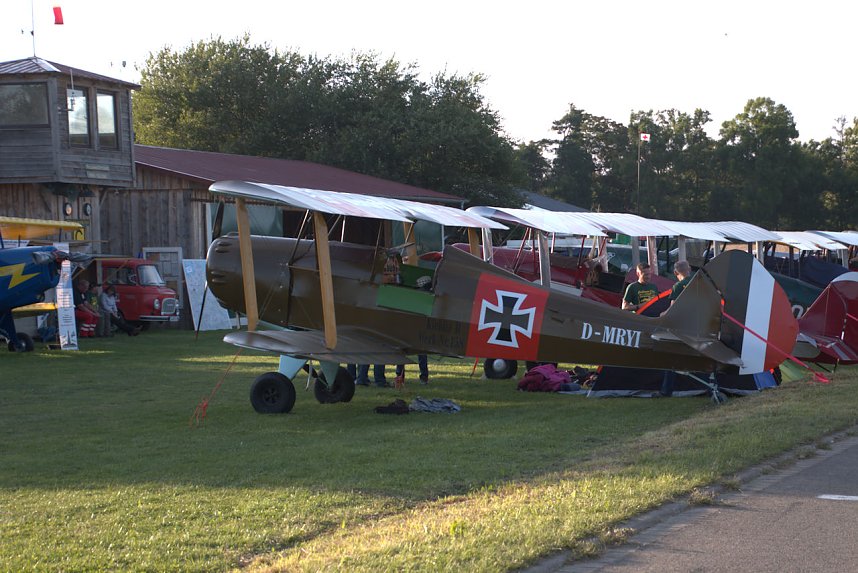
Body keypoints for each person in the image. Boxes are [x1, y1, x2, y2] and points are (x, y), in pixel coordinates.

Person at [661, 260, 694, 396]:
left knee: (672, 358)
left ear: (675, 273)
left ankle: (666, 391)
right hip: (701, 327)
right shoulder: (701, 282)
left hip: (682, 329)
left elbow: (672, 310)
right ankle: (710, 388)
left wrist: (661, 315)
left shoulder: (678, 286)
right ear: (690, 269)